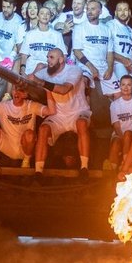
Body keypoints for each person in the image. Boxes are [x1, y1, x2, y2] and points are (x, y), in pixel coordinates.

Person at [31, 48, 92, 180]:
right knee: (43, 129)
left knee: (81, 123)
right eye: (47, 57)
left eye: (51, 57)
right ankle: (38, 172)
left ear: (61, 59)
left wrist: (40, 81)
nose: (48, 60)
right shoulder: (45, 72)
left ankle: (84, 168)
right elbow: (28, 80)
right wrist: (34, 72)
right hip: (59, 115)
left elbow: (64, 89)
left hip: (78, 111)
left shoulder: (74, 70)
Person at [0, 82, 56, 177]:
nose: (17, 93)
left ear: (25, 94)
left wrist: (48, 91)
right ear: (12, 91)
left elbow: (51, 111)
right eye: (15, 89)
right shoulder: (4, 105)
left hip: (25, 147)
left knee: (30, 134)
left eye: (20, 90)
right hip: (7, 145)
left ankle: (26, 162)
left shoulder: (31, 105)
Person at [71, 0, 114, 127]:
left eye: (93, 9)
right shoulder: (80, 28)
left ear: (100, 11)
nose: (90, 12)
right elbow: (77, 51)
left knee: (119, 92)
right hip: (86, 66)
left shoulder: (106, 29)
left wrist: (110, 68)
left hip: (104, 66)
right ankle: (88, 121)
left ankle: (115, 124)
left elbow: (110, 52)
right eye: (88, 9)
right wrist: (91, 67)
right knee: (84, 83)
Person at [0, 0, 25, 94]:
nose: (5, 10)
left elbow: (17, 44)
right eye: (3, 7)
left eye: (8, 7)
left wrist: (9, 60)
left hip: (7, 62)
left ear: (14, 8)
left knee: (1, 92)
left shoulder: (18, 21)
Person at [19, 5, 67, 76]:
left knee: (40, 65)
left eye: (47, 14)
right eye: (42, 13)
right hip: (30, 69)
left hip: (49, 68)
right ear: (38, 17)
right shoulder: (30, 34)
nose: (45, 16)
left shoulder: (57, 35)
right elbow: (24, 55)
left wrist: (57, 71)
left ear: (50, 17)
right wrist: (22, 70)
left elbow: (63, 56)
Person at [107, 0, 132, 96]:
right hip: (118, 64)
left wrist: (128, 61)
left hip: (130, 64)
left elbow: (131, 51)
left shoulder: (130, 30)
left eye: (125, 10)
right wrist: (122, 59)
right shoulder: (110, 25)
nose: (123, 12)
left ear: (129, 12)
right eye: (120, 10)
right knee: (125, 93)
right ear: (115, 12)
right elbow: (105, 49)